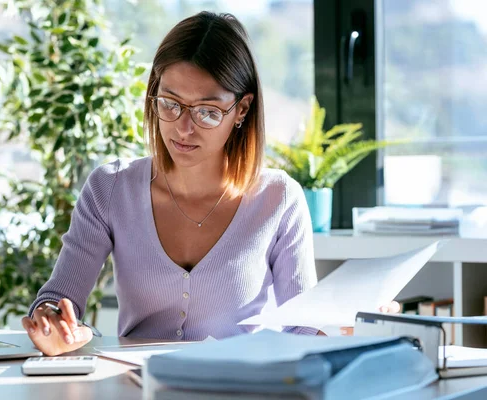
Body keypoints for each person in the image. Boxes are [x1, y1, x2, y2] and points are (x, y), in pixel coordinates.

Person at [21, 11, 397, 356]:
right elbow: (59, 297)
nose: (183, 127)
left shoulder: (279, 199)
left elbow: (301, 327)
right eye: (170, 103)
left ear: (242, 110)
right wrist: (53, 321)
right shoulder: (110, 188)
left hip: (242, 389)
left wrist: (351, 325)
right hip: (137, 388)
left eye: (207, 111)